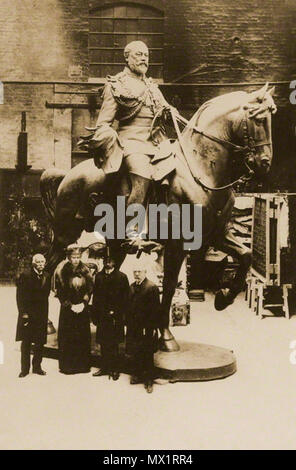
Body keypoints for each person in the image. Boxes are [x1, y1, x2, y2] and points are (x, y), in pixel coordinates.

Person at [86, 40, 176, 246]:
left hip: (156, 141)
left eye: (146, 54)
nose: (144, 58)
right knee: (143, 173)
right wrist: (108, 139)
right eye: (138, 54)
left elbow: (166, 111)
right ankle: (131, 232)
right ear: (126, 57)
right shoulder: (116, 84)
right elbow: (104, 123)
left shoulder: (152, 86)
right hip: (130, 141)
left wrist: (171, 113)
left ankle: (165, 226)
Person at [55, 244, 93, 374]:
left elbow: (90, 289)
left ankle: (82, 366)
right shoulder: (62, 270)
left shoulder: (86, 270)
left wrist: (83, 303)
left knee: (81, 337)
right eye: (73, 257)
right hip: (68, 310)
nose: (76, 260)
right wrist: (70, 305)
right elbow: (59, 291)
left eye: (78, 257)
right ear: (69, 258)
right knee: (68, 337)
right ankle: (68, 366)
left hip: (82, 309)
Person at [92, 251, 130, 380]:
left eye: (110, 260)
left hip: (115, 316)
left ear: (114, 262)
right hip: (102, 316)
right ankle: (104, 368)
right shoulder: (98, 276)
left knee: (114, 344)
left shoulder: (121, 277)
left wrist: (119, 313)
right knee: (103, 343)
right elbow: (95, 297)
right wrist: (95, 316)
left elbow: (125, 299)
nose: (108, 262)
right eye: (106, 260)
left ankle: (115, 369)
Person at [126, 258, 161, 393]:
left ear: (145, 272)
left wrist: (152, 329)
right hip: (135, 326)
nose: (137, 274)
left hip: (147, 326)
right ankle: (138, 375)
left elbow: (155, 310)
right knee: (137, 350)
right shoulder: (132, 287)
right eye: (135, 272)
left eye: (139, 272)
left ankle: (149, 380)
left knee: (147, 353)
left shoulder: (151, 287)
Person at [16, 253, 51, 377]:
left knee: (40, 342)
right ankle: (24, 369)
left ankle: (37, 367)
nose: (41, 264)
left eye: (43, 262)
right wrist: (23, 313)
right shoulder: (25, 275)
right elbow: (20, 296)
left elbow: (46, 296)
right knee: (26, 342)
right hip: (28, 315)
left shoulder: (47, 276)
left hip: (41, 314)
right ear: (34, 263)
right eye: (39, 262)